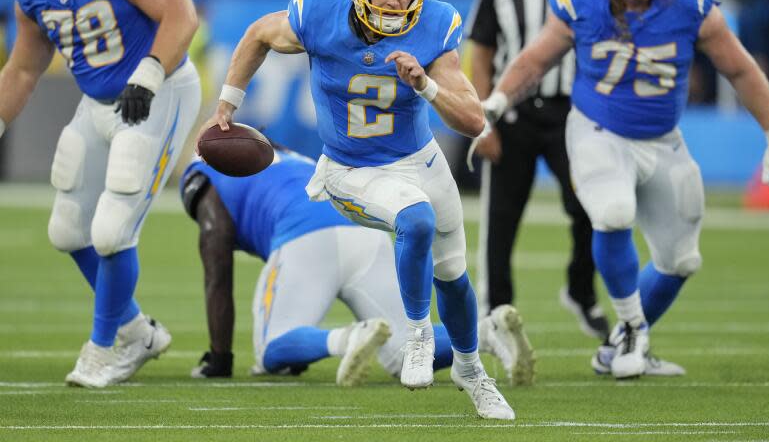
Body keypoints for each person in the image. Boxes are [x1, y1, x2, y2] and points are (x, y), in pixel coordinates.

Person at [195, 0, 515, 419]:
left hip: (420, 159)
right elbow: (259, 32)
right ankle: (418, 335)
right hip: (352, 168)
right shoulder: (319, 14)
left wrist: (425, 84)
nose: (394, 0)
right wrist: (228, 103)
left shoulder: (434, 26)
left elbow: (473, 121)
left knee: (453, 277)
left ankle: (472, 371)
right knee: (417, 220)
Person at [479, 0, 769, 379]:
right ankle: (631, 327)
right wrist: (498, 101)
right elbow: (535, 60)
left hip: (662, 139)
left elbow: (739, 68)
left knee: (681, 259)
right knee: (611, 213)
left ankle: (616, 347)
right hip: (597, 131)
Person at [0, 0, 201, 387]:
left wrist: (150, 72)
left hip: (158, 91)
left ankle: (104, 347)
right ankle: (136, 330)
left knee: (112, 230)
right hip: (98, 101)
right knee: (67, 231)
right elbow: (23, 69)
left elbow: (181, 14)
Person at [179, 149, 535, 387]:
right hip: (360, 230)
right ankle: (487, 332)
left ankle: (349, 337)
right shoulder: (288, 158)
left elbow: (217, 267)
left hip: (304, 239)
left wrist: (219, 358)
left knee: (272, 347)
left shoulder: (205, 173)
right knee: (403, 350)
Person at [466, 0, 608, 340]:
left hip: (571, 114)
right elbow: (482, 56)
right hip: (513, 115)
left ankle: (581, 291)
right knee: (501, 221)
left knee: (592, 206)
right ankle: (496, 314)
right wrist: (482, 121)